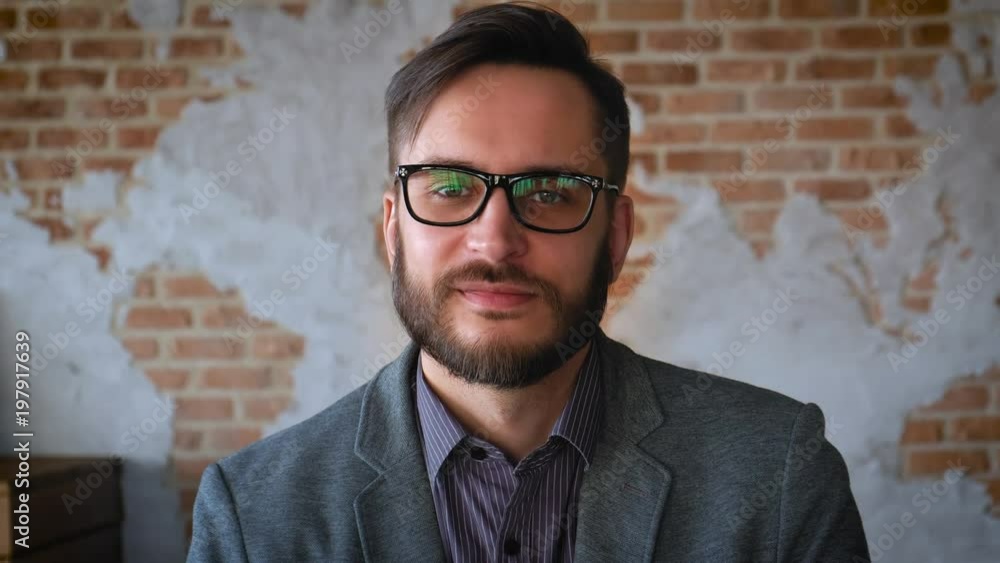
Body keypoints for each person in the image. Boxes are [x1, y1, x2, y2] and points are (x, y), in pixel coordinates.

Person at [188, 3, 870, 561]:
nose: (496, 240)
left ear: (617, 236)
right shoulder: (253, 516)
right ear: (393, 230)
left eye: (550, 191)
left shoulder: (780, 476)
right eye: (450, 187)